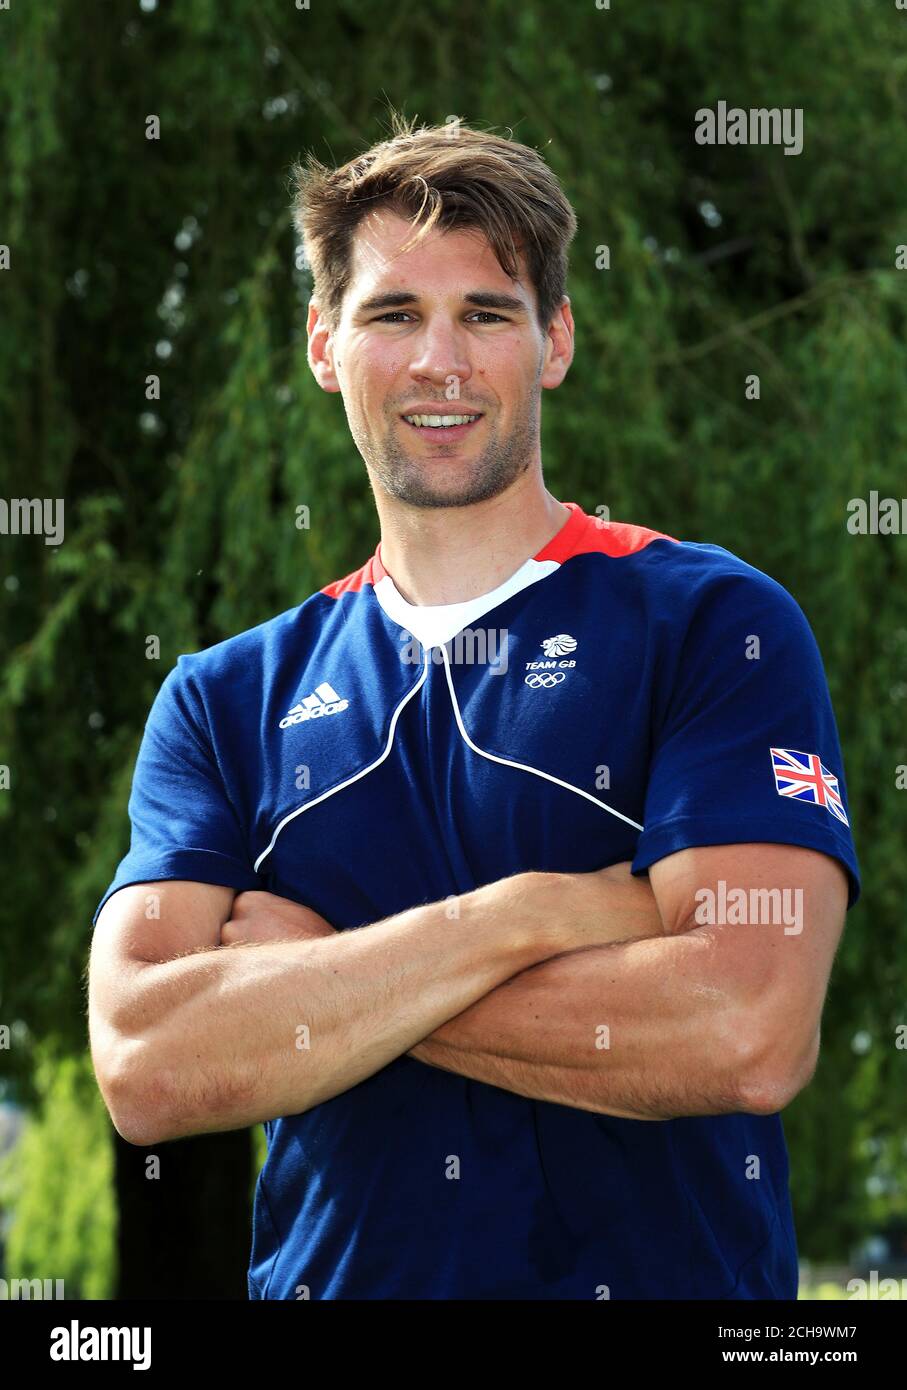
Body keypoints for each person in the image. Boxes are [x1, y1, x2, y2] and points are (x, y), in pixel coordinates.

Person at [88, 113, 860, 1300]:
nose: (439, 361)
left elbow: (748, 1028)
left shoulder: (713, 624)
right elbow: (145, 1061)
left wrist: (328, 979)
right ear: (323, 345)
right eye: (393, 314)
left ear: (553, 340)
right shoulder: (223, 698)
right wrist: (536, 914)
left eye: (485, 314)